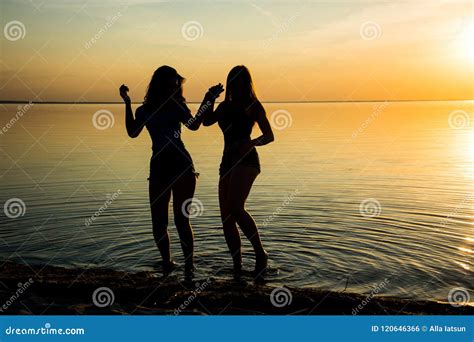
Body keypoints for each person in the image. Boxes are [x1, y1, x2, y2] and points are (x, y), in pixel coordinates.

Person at [119, 65, 223, 274]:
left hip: (181, 166)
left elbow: (193, 125)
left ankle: (188, 265)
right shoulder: (145, 110)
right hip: (159, 167)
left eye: (176, 83)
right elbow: (132, 132)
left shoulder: (176, 107)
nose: (175, 87)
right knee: (159, 222)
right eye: (172, 83)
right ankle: (167, 263)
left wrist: (208, 99)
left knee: (180, 220)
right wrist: (128, 103)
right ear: (162, 84)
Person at [203, 65, 274, 276]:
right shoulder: (224, 106)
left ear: (247, 82)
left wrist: (251, 143)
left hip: (247, 160)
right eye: (234, 80)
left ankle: (260, 253)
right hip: (227, 161)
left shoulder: (253, 105)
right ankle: (237, 265)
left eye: (241, 80)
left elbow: (269, 136)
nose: (237, 84)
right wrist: (209, 98)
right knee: (226, 216)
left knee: (235, 208)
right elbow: (206, 121)